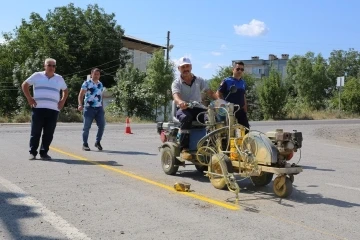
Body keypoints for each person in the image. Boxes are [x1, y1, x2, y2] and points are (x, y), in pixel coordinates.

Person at [21, 58, 69, 160]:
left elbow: (65, 90)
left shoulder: (59, 78)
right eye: (49, 65)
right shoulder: (37, 75)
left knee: (49, 133)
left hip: (53, 110)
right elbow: (24, 85)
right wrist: (29, 98)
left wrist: (62, 101)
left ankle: (44, 153)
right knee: (36, 132)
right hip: (38, 109)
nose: (51, 67)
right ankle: (32, 152)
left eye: (53, 66)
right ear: (45, 66)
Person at [171, 57, 217, 160]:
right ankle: (184, 149)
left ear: (191, 67)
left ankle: (211, 146)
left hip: (198, 108)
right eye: (183, 67)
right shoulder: (176, 83)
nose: (185, 69)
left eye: (187, 66)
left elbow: (209, 92)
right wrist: (181, 102)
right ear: (179, 68)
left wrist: (220, 101)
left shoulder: (199, 80)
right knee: (186, 117)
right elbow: (176, 96)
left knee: (211, 118)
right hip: (184, 109)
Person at [216, 61, 250, 133]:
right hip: (229, 110)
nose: (240, 71)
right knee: (229, 132)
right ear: (233, 69)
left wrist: (245, 107)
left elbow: (243, 95)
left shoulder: (243, 82)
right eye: (238, 69)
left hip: (240, 109)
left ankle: (243, 144)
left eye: (242, 69)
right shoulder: (227, 81)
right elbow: (218, 93)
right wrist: (223, 105)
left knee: (245, 129)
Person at [78, 68, 105, 151]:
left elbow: (101, 96)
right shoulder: (87, 83)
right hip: (89, 108)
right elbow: (81, 95)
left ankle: (98, 142)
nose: (96, 76)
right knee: (86, 127)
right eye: (95, 74)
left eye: (98, 74)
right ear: (91, 74)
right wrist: (80, 104)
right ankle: (85, 144)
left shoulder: (100, 84)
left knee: (102, 125)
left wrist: (102, 107)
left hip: (99, 108)